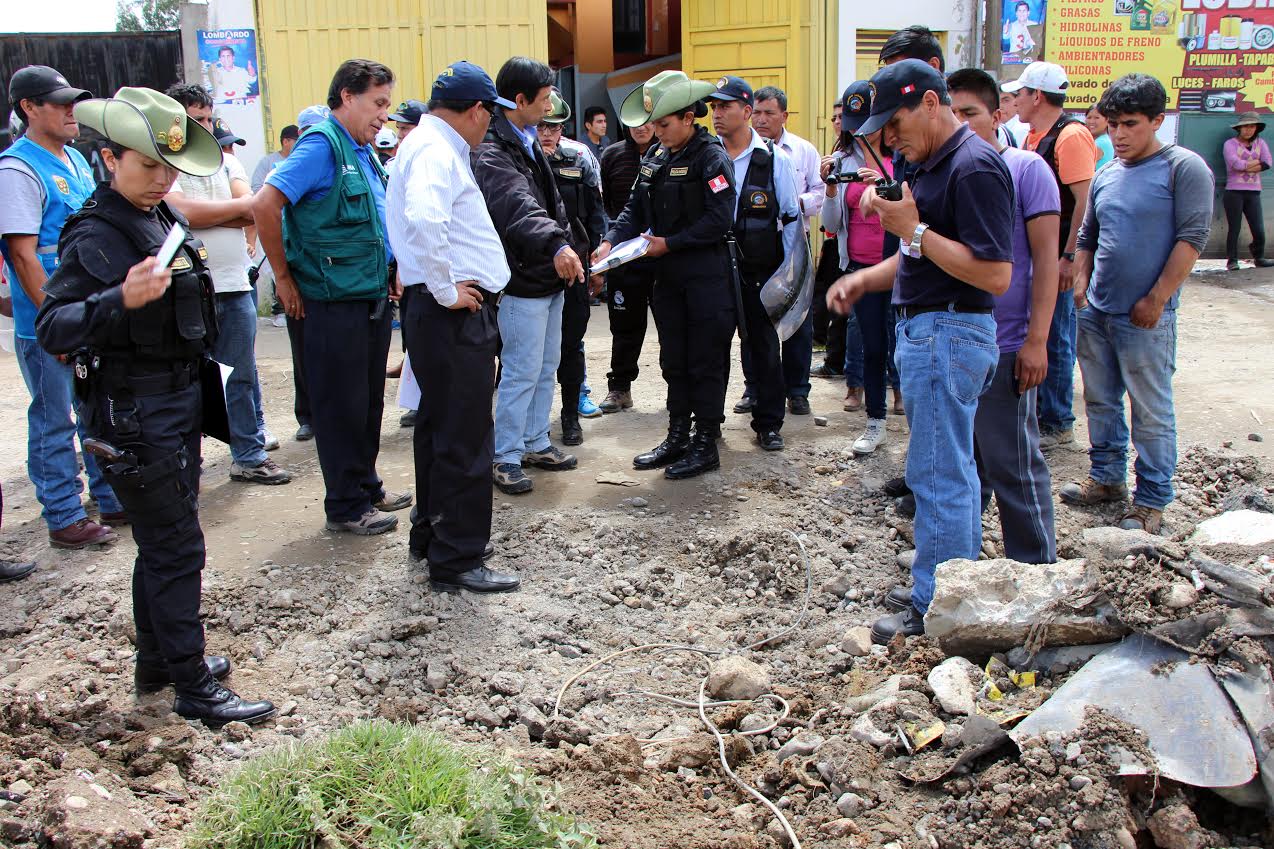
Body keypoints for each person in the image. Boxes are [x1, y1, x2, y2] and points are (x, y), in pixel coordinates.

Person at [36, 86, 274, 725]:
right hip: (133, 412)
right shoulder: (95, 231)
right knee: (177, 548)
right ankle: (194, 686)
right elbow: (54, 326)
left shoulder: (157, 214)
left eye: (169, 168)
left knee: (163, 543)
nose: (161, 179)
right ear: (110, 159)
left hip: (173, 402)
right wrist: (118, 298)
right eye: (147, 166)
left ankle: (159, 660)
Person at [826, 60, 1013, 643]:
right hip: (932, 331)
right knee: (937, 469)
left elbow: (995, 275)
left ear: (933, 103)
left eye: (897, 120)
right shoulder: (931, 166)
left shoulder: (973, 166)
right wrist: (865, 279)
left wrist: (913, 230)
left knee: (942, 475)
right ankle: (940, 587)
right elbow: (917, 257)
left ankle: (938, 605)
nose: (890, 135)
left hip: (949, 334)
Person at [255, 60, 412, 535]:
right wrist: (282, 279)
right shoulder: (321, 146)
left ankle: (365, 485)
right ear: (347, 96)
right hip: (330, 301)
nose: (384, 115)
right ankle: (344, 506)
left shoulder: (360, 150)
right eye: (378, 103)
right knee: (340, 405)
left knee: (366, 402)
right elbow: (265, 204)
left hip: (367, 295)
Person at [386, 60, 520, 594]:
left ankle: (433, 533)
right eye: (491, 113)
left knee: (440, 428)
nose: (491, 124)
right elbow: (423, 221)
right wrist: (445, 289)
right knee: (465, 434)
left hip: (439, 310)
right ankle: (458, 556)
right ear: (476, 110)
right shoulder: (436, 151)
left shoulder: (426, 146)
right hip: (450, 313)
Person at [1062, 74, 1214, 535]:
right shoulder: (1108, 173)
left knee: (1149, 408)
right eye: (1112, 125)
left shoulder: (1183, 169)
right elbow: (1087, 236)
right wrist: (1081, 281)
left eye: (1130, 124)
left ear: (1157, 121)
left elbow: (1193, 239)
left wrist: (1157, 297)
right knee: (1101, 401)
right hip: (1098, 312)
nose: (1119, 135)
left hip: (1146, 316)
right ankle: (1107, 479)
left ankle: (1152, 499)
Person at [0, 65, 122, 550]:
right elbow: (25, 256)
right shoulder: (18, 170)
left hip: (85, 316)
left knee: (95, 411)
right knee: (55, 419)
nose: (73, 111)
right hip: (48, 328)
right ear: (29, 108)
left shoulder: (72, 159)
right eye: (60, 102)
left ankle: (109, 497)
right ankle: (64, 514)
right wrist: (58, 323)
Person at [598, 70, 737, 480]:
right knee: (674, 359)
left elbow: (720, 218)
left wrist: (670, 243)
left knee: (705, 361)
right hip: (669, 280)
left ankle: (705, 441)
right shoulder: (656, 158)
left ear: (688, 118)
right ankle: (677, 435)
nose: (656, 132)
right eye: (653, 125)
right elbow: (633, 210)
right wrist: (610, 241)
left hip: (706, 278)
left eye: (663, 124)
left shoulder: (711, 157)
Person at [947, 68, 1058, 564]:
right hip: (960, 341)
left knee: (1013, 462)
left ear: (998, 114)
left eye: (969, 113)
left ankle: (1036, 570)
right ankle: (967, 567)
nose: (959, 123)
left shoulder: (1026, 169)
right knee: (967, 464)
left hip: (1008, 341)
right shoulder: (945, 172)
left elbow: (1045, 261)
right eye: (950, 113)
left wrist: (1037, 340)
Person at [164, 84, 290, 486]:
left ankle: (248, 455)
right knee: (187, 380)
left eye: (206, 118)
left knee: (241, 373)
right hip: (185, 289)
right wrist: (230, 212)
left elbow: (252, 207)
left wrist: (208, 215)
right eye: (193, 119)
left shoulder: (224, 160)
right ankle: (187, 462)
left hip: (234, 285)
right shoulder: (164, 161)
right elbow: (179, 211)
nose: (203, 126)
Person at [473, 58, 584, 495]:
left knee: (545, 367)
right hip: (521, 279)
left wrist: (571, 246)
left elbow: (551, 200)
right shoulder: (492, 149)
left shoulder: (527, 139)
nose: (550, 107)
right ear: (518, 101)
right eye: (543, 99)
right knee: (520, 371)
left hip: (547, 277)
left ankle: (536, 441)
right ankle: (505, 455)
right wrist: (557, 245)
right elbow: (517, 205)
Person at [1003, 62, 1099, 451]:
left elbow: (1084, 200)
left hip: (1055, 255)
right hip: (1034, 255)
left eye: (1020, 94)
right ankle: (1041, 413)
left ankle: (1057, 421)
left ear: (1037, 96)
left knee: (1055, 335)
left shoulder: (1070, 136)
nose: (1016, 102)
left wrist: (1069, 255)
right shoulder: (1032, 137)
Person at [708, 76, 801, 451]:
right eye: (714, 107)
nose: (716, 114)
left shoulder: (775, 160)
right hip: (713, 270)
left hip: (759, 271)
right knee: (711, 349)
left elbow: (792, 218)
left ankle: (768, 424)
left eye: (725, 106)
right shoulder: (707, 154)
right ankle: (708, 423)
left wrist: (787, 278)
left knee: (762, 348)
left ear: (746, 112)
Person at [821, 80, 899, 457]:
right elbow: (831, 224)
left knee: (904, 345)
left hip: (901, 268)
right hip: (859, 267)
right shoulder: (843, 160)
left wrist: (885, 184)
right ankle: (875, 421)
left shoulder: (903, 157)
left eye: (867, 121)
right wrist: (832, 190)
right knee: (872, 344)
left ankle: (913, 413)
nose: (858, 130)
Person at [747, 84, 822, 417]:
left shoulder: (803, 151)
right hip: (755, 248)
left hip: (792, 244)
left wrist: (790, 205)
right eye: (757, 113)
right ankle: (754, 389)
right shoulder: (742, 152)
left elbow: (821, 193)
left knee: (796, 320)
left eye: (769, 113)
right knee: (753, 321)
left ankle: (797, 390)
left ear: (784, 116)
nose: (761, 120)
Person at [539, 91, 607, 446]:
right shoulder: (518, 158)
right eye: (540, 125)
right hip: (531, 269)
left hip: (574, 267)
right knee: (524, 353)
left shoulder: (580, 157)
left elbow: (596, 214)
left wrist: (598, 263)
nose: (546, 133)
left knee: (571, 343)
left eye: (553, 126)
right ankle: (526, 426)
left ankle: (569, 415)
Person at [274, 105, 330, 439]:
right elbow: (267, 214)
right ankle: (307, 415)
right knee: (302, 350)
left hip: (326, 276)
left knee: (325, 352)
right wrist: (282, 276)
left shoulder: (332, 162)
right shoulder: (290, 170)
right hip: (298, 271)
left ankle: (324, 415)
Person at [597, 121, 657, 413]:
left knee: (673, 327)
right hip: (624, 254)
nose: (641, 128)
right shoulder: (612, 155)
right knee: (624, 327)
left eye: (648, 122)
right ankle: (619, 388)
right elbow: (609, 204)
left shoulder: (667, 154)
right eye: (635, 123)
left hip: (663, 254)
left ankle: (679, 393)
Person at [1222, 112, 1273, 271]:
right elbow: (1235, 165)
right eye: (1244, 126)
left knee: (1258, 228)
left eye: (1251, 126)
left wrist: (1247, 164)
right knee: (1234, 228)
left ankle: (1259, 257)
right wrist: (1256, 163)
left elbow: (1268, 163)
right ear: (1239, 128)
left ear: (1256, 128)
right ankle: (1232, 260)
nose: (1248, 130)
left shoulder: (1261, 143)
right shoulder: (1230, 144)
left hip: (1253, 192)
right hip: (1234, 192)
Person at [250, 124, 299, 192]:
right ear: (285, 142)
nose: (301, 144)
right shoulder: (267, 162)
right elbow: (256, 188)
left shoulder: (301, 161)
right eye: (298, 141)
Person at [1086, 104, 1114, 170]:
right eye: (1089, 117)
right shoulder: (1099, 140)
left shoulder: (1101, 143)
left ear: (1107, 120)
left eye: (1097, 118)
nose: (1091, 122)